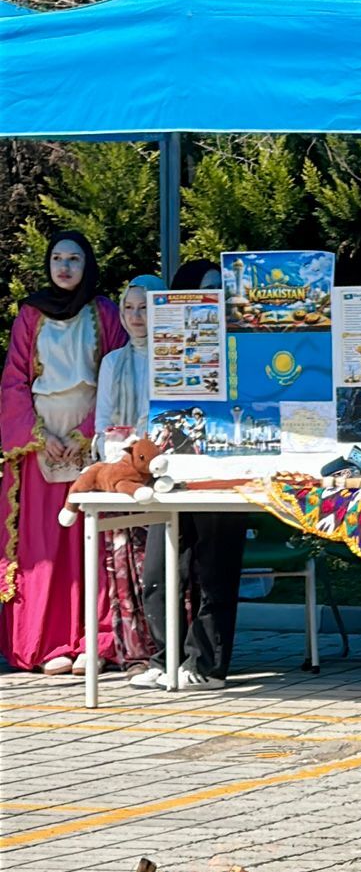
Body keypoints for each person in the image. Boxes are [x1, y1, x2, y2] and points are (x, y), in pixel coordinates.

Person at [0, 231, 126, 675]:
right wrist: (39, 434)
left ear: (87, 264)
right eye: (57, 258)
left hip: (90, 446)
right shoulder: (30, 314)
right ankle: (48, 642)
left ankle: (95, 639)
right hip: (41, 449)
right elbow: (15, 380)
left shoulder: (105, 312)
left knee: (88, 543)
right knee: (45, 544)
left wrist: (85, 433)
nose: (65, 267)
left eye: (74, 258)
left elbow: (116, 375)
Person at [134, 258, 245, 692]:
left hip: (225, 470)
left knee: (215, 568)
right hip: (169, 470)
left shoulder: (241, 345)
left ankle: (208, 664)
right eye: (201, 290)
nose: (210, 299)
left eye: (219, 289)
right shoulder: (164, 347)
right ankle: (165, 659)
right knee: (159, 571)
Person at [94, 272, 164, 677]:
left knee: (157, 562)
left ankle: (168, 646)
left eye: (145, 307)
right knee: (123, 563)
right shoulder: (112, 361)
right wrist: (119, 457)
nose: (136, 317)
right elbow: (104, 421)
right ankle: (136, 651)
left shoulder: (172, 358)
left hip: (158, 470)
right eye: (129, 308)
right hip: (121, 473)